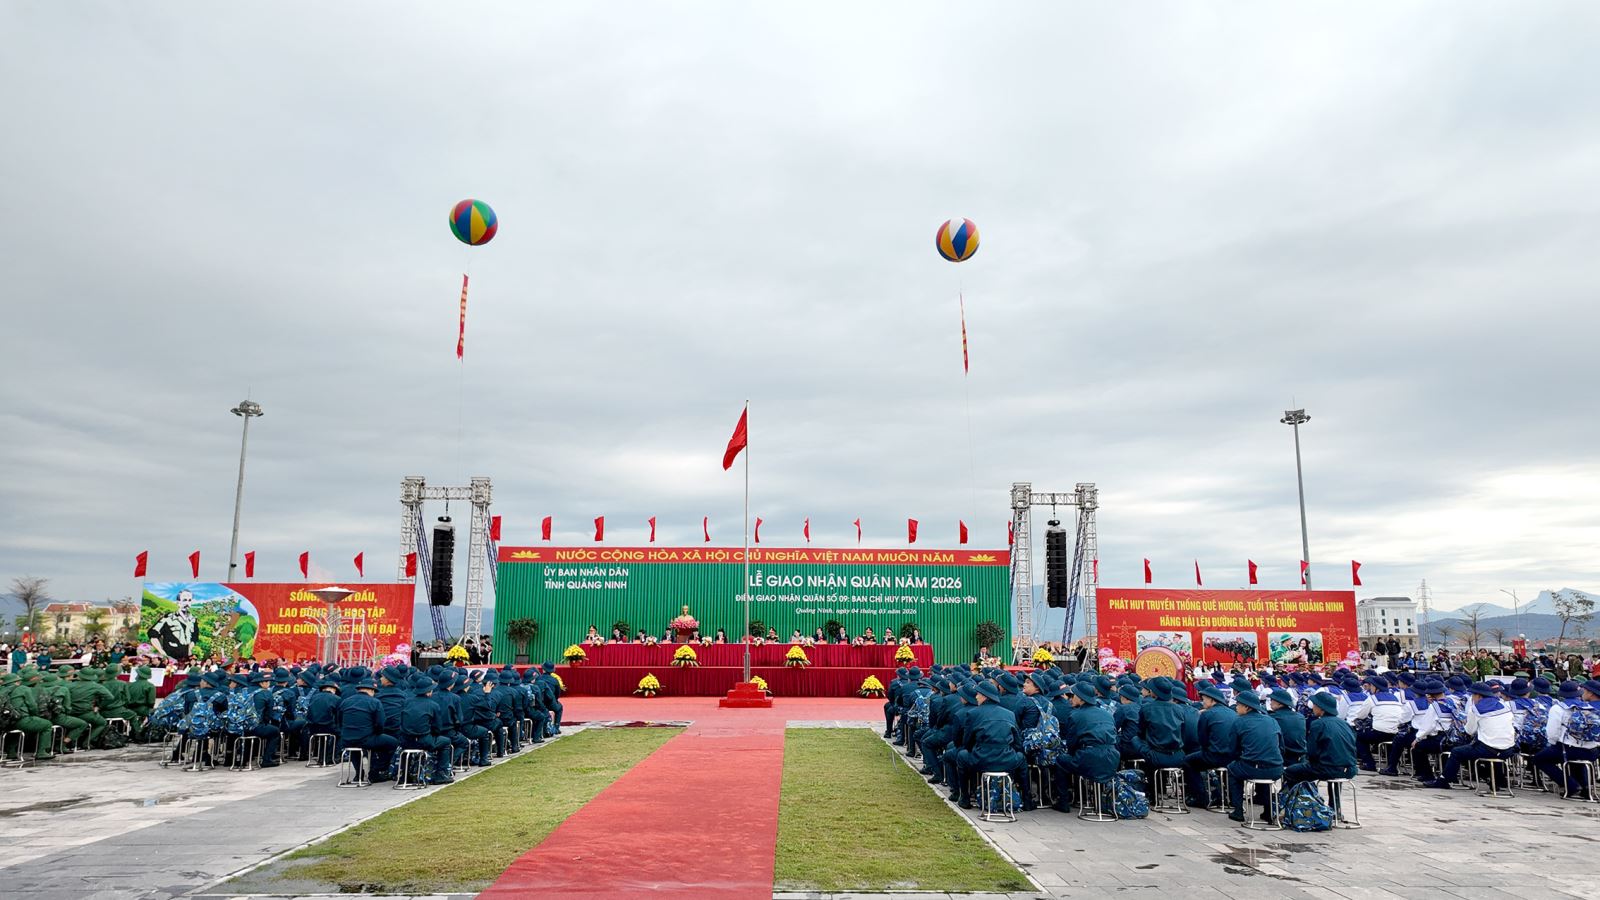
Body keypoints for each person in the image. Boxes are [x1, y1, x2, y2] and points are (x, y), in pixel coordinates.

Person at [949, 680, 1027, 810]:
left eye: (978, 694)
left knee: (962, 755)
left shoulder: (973, 713)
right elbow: (1017, 742)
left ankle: (965, 797)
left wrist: (976, 749)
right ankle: (1027, 799)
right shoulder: (1009, 714)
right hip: (1006, 760)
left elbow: (967, 742)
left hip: (982, 759)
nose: (975, 697)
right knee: (1021, 758)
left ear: (985, 696)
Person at [1425, 681, 1515, 790]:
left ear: (1479, 696)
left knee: (1457, 752)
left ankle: (1443, 780)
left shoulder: (1476, 709)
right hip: (1509, 749)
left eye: (1473, 695)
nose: (1472, 698)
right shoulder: (1504, 705)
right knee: (1486, 747)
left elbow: (1469, 731)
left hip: (1488, 749)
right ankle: (1497, 780)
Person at [1531, 680, 1600, 799]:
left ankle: (1570, 785)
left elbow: (1552, 733)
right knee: (1577, 759)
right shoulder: (1588, 706)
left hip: (1568, 749)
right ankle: (1586, 788)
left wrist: (1553, 744)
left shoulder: (1558, 708)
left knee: (1539, 759)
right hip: (1592, 751)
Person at [1223, 691, 1284, 822]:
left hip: (1252, 767)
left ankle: (1238, 810)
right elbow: (1281, 747)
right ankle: (1268, 812)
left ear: (1247, 707)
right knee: (1263, 773)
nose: (1236, 707)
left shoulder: (1239, 722)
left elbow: (1233, 750)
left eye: (1238, 705)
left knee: (1233, 769)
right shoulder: (1271, 720)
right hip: (1276, 768)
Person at [1283, 691, 1358, 790]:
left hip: (1329, 770)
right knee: (1332, 766)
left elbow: (1312, 752)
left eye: (1314, 705)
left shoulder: (1318, 724)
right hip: (1350, 769)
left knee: (1290, 771)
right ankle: (1335, 799)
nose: (1313, 708)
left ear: (1321, 708)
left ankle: (1293, 797)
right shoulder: (1344, 724)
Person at [1183, 682, 1235, 808]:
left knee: (1187, 761)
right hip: (1233, 756)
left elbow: (1202, 739)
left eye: (1204, 699)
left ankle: (1200, 796)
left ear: (1212, 700)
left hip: (1214, 755)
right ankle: (1224, 794)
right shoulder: (1233, 713)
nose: (1203, 702)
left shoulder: (1207, 714)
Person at [338, 676, 398, 781]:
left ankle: (359, 773)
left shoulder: (345, 701)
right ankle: (377, 771)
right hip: (366, 738)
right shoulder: (374, 702)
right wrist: (377, 733)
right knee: (393, 743)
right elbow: (380, 723)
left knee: (354, 745)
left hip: (346, 739)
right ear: (371, 690)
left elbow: (339, 720)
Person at [1268, 688, 1308, 766]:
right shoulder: (1300, 717)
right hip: (1301, 757)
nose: (1270, 702)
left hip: (1283, 757)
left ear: (1280, 704)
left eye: (1272, 700)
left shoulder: (1273, 718)